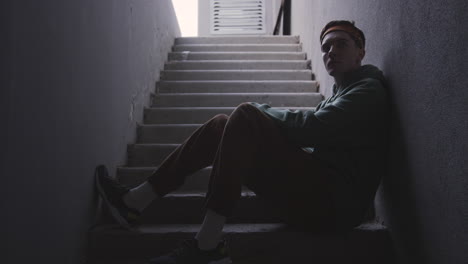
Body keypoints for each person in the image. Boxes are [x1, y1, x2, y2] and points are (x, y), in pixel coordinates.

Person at [95, 20, 389, 264]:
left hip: (334, 208)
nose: (331, 52)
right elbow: (311, 134)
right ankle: (133, 202)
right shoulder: (339, 94)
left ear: (360, 51)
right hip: (316, 195)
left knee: (246, 116)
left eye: (341, 44)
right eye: (325, 47)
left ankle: (206, 246)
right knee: (223, 126)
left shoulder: (367, 90)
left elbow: (310, 129)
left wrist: (260, 113)